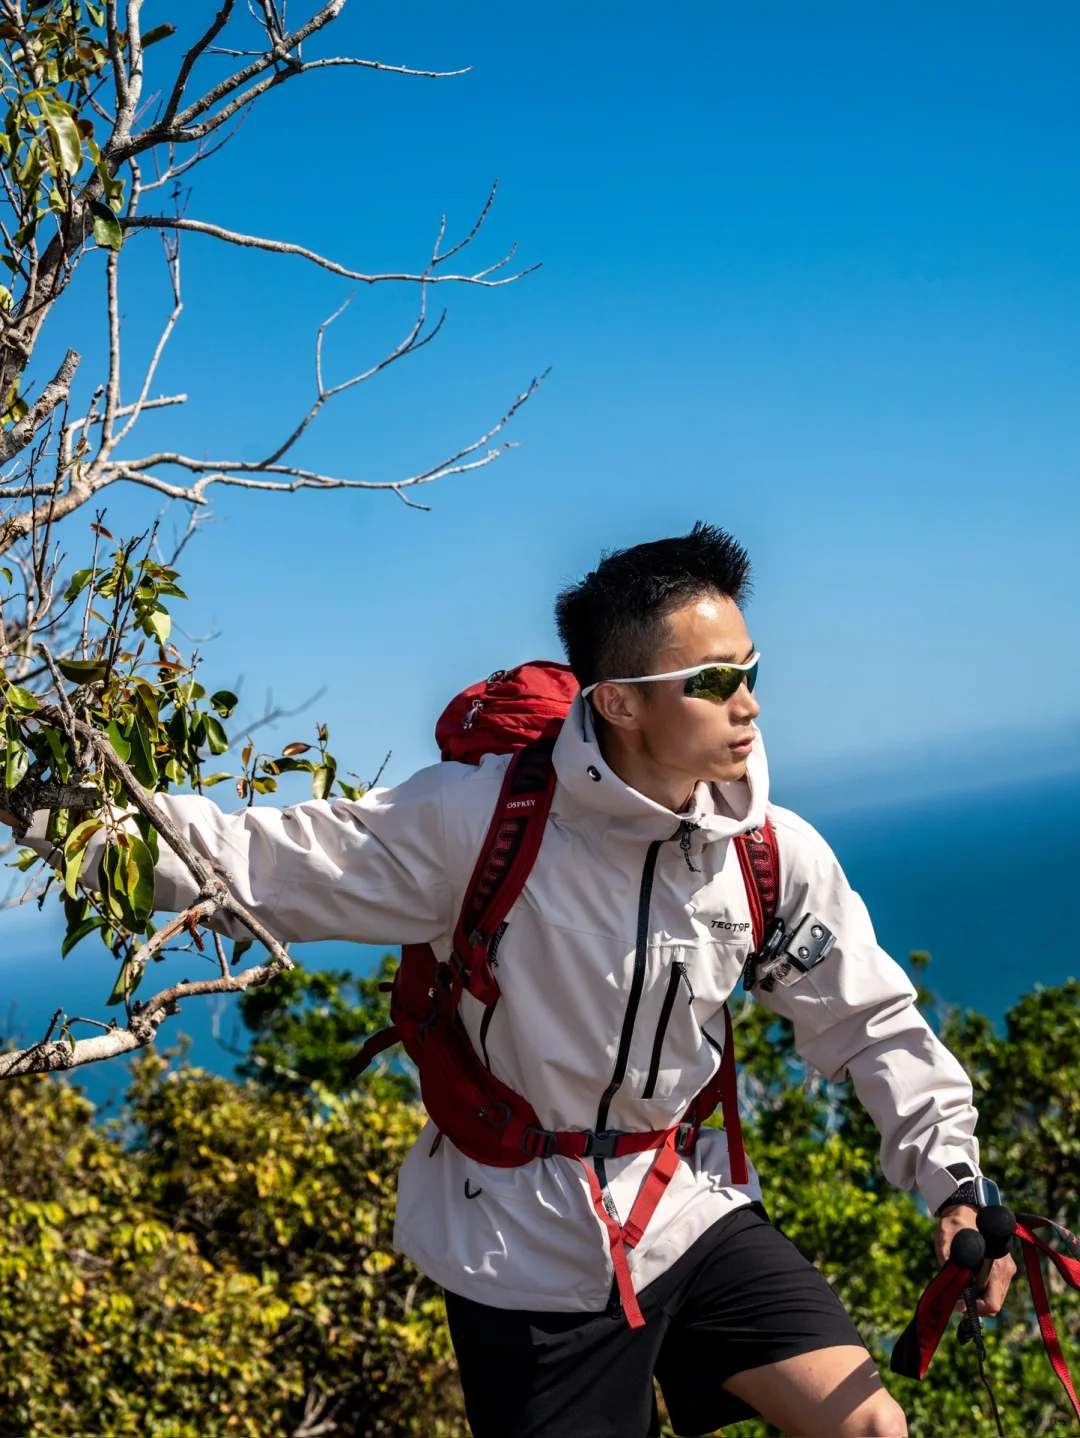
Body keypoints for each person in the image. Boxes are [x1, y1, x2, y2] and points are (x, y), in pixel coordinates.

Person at [9, 524, 1015, 1437]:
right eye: (711, 679)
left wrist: (957, 1186)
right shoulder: (480, 821)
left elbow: (873, 1023)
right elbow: (254, 862)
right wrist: (48, 813)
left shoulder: (769, 851)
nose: (747, 701)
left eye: (751, 668)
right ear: (617, 702)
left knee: (872, 1428)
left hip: (684, 1203)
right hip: (520, 1245)